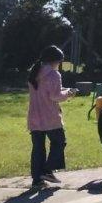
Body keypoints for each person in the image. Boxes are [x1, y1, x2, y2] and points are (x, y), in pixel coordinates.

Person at [26, 45, 76, 189]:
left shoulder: (34, 72)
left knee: (38, 148)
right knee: (60, 142)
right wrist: (68, 94)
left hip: (34, 116)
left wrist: (64, 90)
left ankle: (37, 180)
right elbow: (55, 96)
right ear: (54, 61)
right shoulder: (54, 75)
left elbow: (46, 91)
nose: (59, 64)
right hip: (50, 116)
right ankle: (47, 170)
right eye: (59, 61)